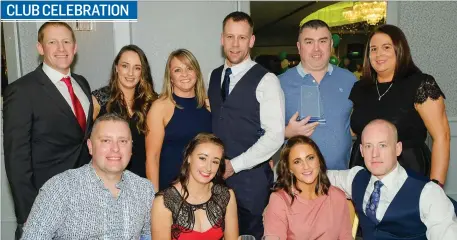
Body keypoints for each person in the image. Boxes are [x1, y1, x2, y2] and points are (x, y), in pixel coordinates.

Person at [3, 22, 93, 239]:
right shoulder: (22, 91)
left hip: (84, 202)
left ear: (75, 47)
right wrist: (28, 214)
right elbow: (17, 158)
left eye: (66, 42)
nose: (61, 48)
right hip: (44, 204)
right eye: (52, 42)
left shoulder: (82, 84)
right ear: (40, 48)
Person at [207, 11, 285, 239]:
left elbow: (275, 136)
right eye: (230, 37)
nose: (235, 44)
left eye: (242, 38)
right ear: (222, 39)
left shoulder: (267, 80)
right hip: (215, 181)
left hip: (251, 185)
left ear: (251, 41)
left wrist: (235, 165)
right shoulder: (214, 76)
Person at [21, 113, 155, 239]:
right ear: (90, 146)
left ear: (131, 148)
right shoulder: (60, 188)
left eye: (123, 141)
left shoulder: (144, 189)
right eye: (106, 141)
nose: (115, 148)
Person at [349, 24, 450, 186]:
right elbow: (355, 129)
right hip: (364, 173)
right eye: (373, 49)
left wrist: (436, 186)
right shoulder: (360, 88)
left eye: (386, 47)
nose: (378, 54)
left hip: (409, 173)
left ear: (400, 49)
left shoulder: (420, 84)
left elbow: (442, 137)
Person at [328, 119, 457, 240]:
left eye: (382, 145)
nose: (375, 154)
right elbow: (318, 175)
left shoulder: (428, 193)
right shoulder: (355, 178)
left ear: (398, 148)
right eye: (368, 146)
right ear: (361, 151)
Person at [280, 19, 356, 170]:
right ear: (299, 47)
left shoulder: (350, 80)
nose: (316, 49)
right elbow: (260, 130)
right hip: (297, 180)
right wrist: (286, 132)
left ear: (331, 45)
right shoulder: (279, 84)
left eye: (322, 41)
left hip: (341, 178)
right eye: (309, 42)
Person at [151, 133, 238, 240]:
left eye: (215, 162)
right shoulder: (164, 202)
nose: (208, 168)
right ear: (189, 158)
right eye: (202, 158)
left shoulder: (226, 196)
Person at [146, 49, 211, 191]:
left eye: (189, 68)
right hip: (170, 191)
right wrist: (154, 198)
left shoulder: (208, 105)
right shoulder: (160, 107)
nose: (185, 74)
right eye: (177, 70)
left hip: (203, 190)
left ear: (197, 72)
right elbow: (152, 158)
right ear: (170, 77)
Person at [264, 135, 352, 240]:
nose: (306, 166)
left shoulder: (337, 196)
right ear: (289, 168)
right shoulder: (280, 200)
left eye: (310, 158)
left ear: (319, 160)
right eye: (297, 161)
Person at [92, 44, 158, 178]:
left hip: (142, 180)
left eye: (137, 68)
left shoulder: (152, 102)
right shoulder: (99, 99)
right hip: (107, 179)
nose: (130, 73)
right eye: (125, 66)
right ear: (116, 67)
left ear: (142, 72)